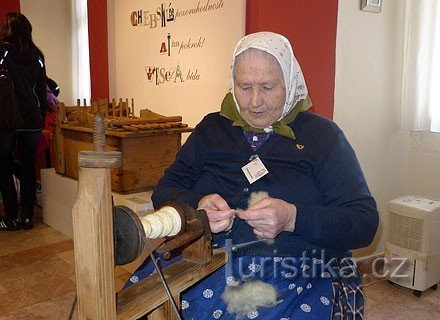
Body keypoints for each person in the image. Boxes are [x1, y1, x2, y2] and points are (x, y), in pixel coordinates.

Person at [127, 32, 379, 319]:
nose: (255, 101)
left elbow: (364, 221)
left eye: (268, 87)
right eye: (244, 87)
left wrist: (293, 217)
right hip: (203, 257)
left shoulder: (324, 137)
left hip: (294, 267)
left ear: (290, 83)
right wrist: (198, 206)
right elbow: (166, 189)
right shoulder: (211, 129)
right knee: (136, 305)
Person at [0, 12, 48, 231]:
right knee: (29, 167)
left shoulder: (2, 53)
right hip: (31, 119)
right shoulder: (37, 55)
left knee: (3, 166)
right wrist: (41, 119)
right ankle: (27, 216)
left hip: (7, 119)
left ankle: (10, 217)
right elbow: (41, 90)